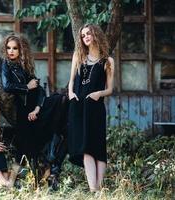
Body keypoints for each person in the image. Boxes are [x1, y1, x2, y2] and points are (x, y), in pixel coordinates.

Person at [0, 34, 68, 187]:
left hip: (35, 110)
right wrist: (26, 87)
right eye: (8, 48)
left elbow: (40, 92)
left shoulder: (26, 66)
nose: (11, 51)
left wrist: (37, 109)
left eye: (15, 48)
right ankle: (12, 182)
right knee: (23, 147)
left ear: (21, 50)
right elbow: (6, 86)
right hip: (23, 112)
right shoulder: (6, 64)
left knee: (59, 99)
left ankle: (54, 147)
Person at [67, 23, 114, 192]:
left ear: (96, 35)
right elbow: (71, 81)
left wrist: (98, 94)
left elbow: (110, 89)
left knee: (98, 147)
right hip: (79, 108)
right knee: (85, 146)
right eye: (83, 35)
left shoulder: (107, 61)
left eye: (88, 34)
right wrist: (71, 93)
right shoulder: (78, 56)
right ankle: (93, 188)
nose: (85, 37)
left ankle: (100, 188)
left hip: (96, 108)